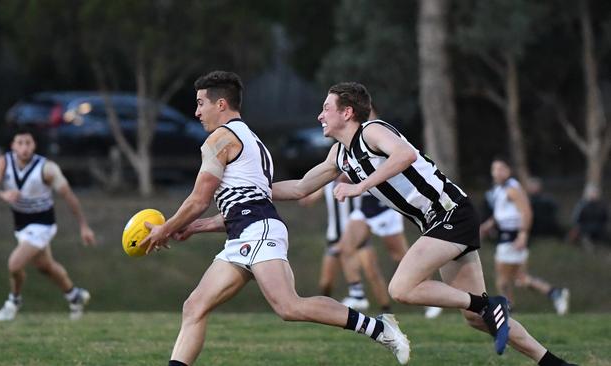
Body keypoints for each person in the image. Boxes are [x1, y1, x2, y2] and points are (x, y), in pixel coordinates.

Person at [271, 82, 577, 365]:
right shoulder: (340, 154)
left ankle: (488, 303)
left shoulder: (371, 131)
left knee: (402, 288)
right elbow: (300, 187)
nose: (319, 114)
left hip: (451, 213)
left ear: (347, 112)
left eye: (326, 107)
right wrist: (252, 190)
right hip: (438, 223)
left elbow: (405, 154)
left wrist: (359, 187)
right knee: (477, 318)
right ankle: (553, 362)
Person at [139, 71, 410, 366]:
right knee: (194, 306)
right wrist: (195, 227)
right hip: (247, 232)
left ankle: (379, 328)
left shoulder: (220, 139)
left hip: (258, 231)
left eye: (201, 103)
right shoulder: (251, 140)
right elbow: (247, 203)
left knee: (289, 307)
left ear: (221, 105)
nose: (196, 111)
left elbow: (199, 200)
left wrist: (164, 229)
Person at [0, 127, 96, 321]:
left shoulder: (47, 168)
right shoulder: (4, 162)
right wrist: (2, 194)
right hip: (21, 226)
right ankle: (74, 296)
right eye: (20, 143)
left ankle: (13, 301)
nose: (24, 148)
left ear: (34, 145)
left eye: (28, 143)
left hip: (43, 225)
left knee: (14, 264)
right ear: (13, 145)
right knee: (45, 266)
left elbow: (69, 197)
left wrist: (83, 226)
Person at [480, 158, 570, 315]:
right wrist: (487, 226)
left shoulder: (512, 188)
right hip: (508, 236)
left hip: (512, 237)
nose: (497, 172)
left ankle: (507, 309)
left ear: (509, 170)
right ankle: (555, 293)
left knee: (502, 280)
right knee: (520, 278)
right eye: (494, 169)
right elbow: (502, 213)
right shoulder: (500, 189)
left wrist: (522, 235)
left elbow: (526, 211)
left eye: (501, 168)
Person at [299, 178, 394, 312]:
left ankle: (386, 311)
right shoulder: (327, 183)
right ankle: (324, 310)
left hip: (357, 235)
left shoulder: (353, 177)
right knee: (326, 282)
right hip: (334, 237)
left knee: (372, 273)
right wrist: (304, 195)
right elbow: (309, 198)